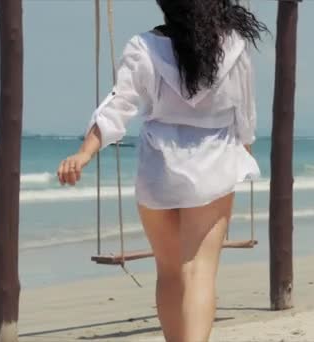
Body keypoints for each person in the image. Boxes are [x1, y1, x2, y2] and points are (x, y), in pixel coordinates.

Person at [58, 1, 267, 340]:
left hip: (160, 169)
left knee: (169, 271)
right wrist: (244, 156)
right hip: (214, 165)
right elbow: (245, 116)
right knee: (200, 271)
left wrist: (85, 153)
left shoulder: (144, 47)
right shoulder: (233, 47)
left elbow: (117, 106)